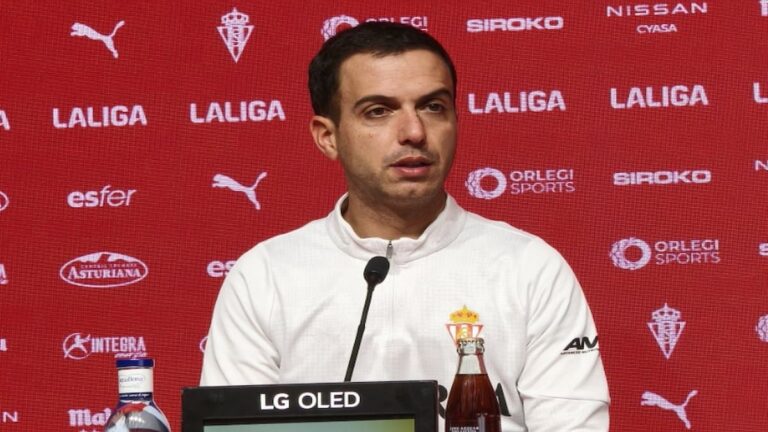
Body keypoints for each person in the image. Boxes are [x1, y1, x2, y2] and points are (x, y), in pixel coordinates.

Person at [201, 22, 610, 430]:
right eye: (378, 111)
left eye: (434, 107)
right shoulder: (266, 274)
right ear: (328, 137)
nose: (414, 132)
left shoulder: (529, 267)